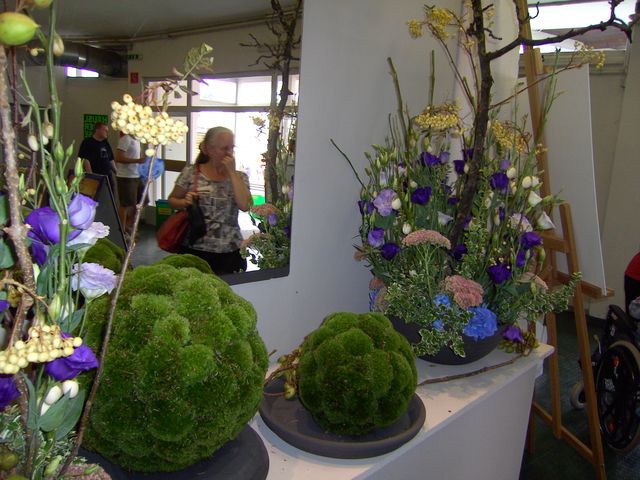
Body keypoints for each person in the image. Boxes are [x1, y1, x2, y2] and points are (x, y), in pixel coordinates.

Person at [168, 127, 252, 275]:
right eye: (224, 148)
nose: (229, 153)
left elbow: (245, 205)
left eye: (232, 148)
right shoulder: (191, 172)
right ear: (208, 149)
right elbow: (172, 200)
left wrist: (232, 173)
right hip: (195, 249)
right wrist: (185, 203)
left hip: (230, 250)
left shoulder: (240, 177)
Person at [115, 133, 145, 235]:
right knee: (125, 204)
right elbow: (119, 158)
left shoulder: (137, 140)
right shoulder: (126, 139)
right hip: (126, 176)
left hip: (136, 175)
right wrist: (137, 160)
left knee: (142, 201)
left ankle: (128, 225)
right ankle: (122, 231)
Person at [78, 122, 116, 192]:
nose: (106, 132)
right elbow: (85, 159)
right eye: (105, 130)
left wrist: (117, 172)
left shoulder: (105, 143)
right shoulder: (87, 142)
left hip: (108, 177)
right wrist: (91, 176)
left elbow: (110, 159)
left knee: (110, 195)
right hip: (96, 175)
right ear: (97, 130)